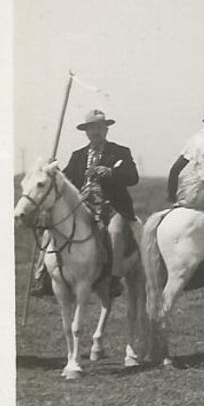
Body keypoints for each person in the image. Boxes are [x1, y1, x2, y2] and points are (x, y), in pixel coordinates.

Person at [57, 109, 139, 298]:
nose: (96, 132)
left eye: (100, 127)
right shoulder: (77, 155)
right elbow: (65, 179)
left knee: (116, 232)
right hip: (83, 205)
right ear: (86, 132)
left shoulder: (120, 152)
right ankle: (44, 276)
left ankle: (115, 279)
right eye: (92, 128)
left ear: (106, 130)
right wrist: (55, 170)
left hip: (112, 205)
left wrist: (112, 173)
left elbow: (133, 178)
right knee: (53, 228)